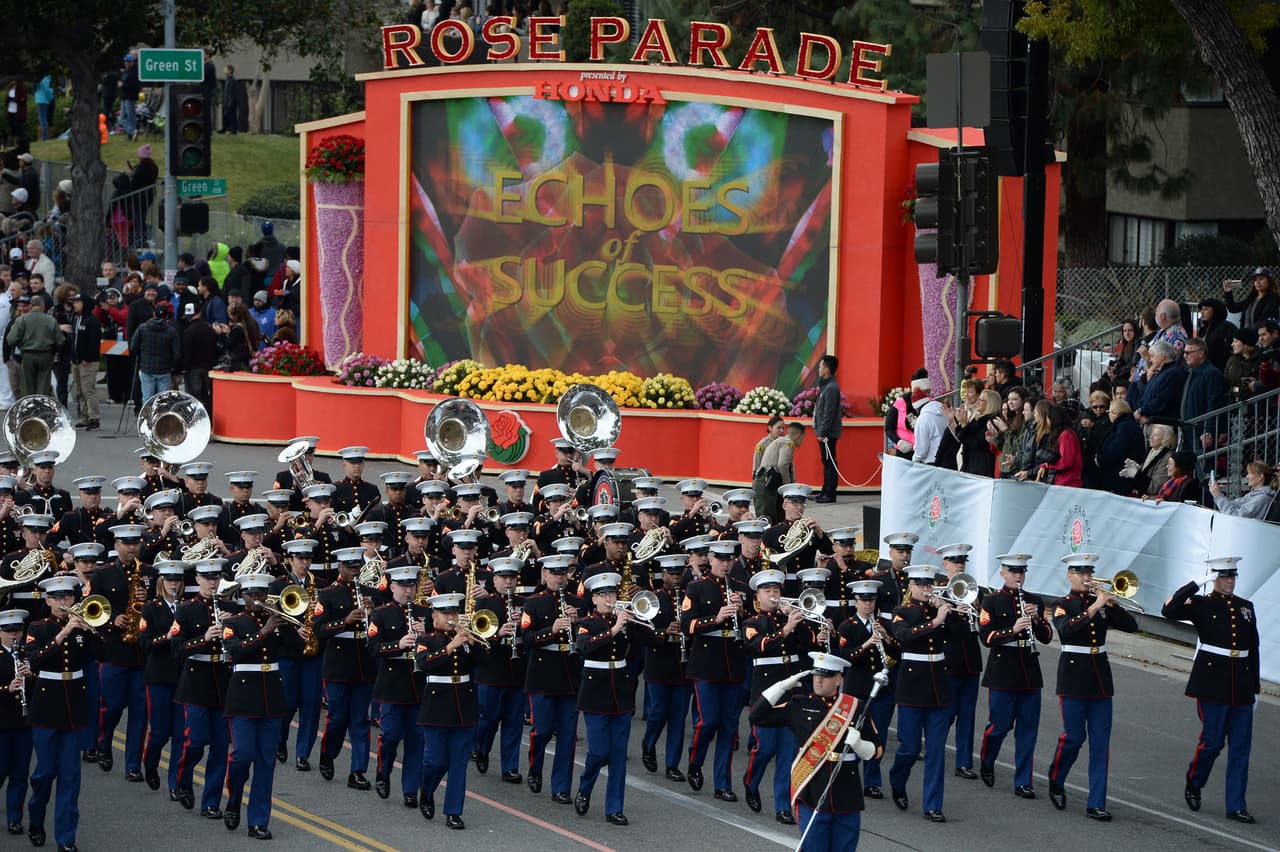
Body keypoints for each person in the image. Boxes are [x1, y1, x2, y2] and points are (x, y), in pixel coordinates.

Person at [1161, 556, 1260, 824]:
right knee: (1213, 742)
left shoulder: (1246, 607)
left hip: (1241, 684)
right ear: (1214, 578)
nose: (1229, 581)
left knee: (1241, 748)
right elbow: (1168, 610)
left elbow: (1253, 648)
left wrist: (1255, 688)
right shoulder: (1201, 603)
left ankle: (1236, 805)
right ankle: (1195, 780)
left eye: (1232, 577)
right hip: (1211, 682)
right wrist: (1197, 583)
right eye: (1224, 576)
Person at [748, 651, 879, 852]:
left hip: (847, 792)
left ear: (838, 679)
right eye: (816, 675)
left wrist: (860, 745)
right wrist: (781, 686)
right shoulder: (800, 705)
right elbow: (757, 716)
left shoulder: (855, 707)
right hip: (812, 789)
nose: (818, 680)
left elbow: (877, 750)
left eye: (825, 676)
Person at [1047, 553, 1139, 820]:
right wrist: (1095, 606)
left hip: (1100, 679)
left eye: (1090, 572)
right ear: (1070, 575)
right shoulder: (1063, 604)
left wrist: (1112, 603)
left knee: (1101, 743)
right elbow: (1067, 630)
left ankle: (1096, 802)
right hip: (1074, 677)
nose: (1087, 578)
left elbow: (1132, 626)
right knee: (1074, 738)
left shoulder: (1101, 604)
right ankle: (1056, 777)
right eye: (1081, 573)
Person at [221, 571, 308, 840]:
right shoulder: (234, 622)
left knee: (266, 762)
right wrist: (264, 631)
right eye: (251, 595)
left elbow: (297, 649)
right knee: (242, 755)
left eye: (261, 594)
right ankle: (234, 797)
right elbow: (234, 651)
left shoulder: (277, 621)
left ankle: (258, 820)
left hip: (271, 695)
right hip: (243, 697)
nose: (257, 599)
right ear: (242, 596)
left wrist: (289, 626)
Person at [25, 573, 99, 852]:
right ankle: (35, 819)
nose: (62, 601)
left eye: (67, 596)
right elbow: (35, 660)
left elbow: (101, 654)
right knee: (44, 773)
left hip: (74, 707)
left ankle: (66, 837)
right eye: (56, 597)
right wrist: (64, 633)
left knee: (70, 775)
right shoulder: (38, 626)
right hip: (46, 705)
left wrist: (91, 631)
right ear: (47, 600)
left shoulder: (83, 626)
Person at [741, 568, 818, 824]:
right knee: (764, 749)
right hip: (766, 694)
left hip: (793, 694)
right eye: (767, 590)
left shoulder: (793, 619)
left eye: (776, 590)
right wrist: (785, 630)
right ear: (758, 596)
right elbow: (756, 647)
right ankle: (751, 782)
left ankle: (783, 806)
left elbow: (811, 643)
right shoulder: (752, 622)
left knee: (788, 754)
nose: (773, 594)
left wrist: (802, 621)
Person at [977, 553, 1052, 798]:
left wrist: (1037, 618)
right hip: (1003, 670)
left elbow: (1047, 637)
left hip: (1028, 670)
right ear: (1003, 573)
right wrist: (1013, 629)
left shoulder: (1033, 600)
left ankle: (1023, 782)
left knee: (1028, 729)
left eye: (1021, 572)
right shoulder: (991, 601)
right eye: (1013, 571)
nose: (1018, 576)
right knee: (999, 726)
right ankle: (987, 760)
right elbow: (986, 638)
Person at [680, 539, 749, 799]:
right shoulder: (696, 587)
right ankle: (695, 761)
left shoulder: (741, 588)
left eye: (729, 559)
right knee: (708, 720)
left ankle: (723, 783)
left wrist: (742, 613)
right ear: (710, 559)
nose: (725, 564)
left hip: (732, 662)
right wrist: (716, 619)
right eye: (720, 559)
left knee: (729, 727)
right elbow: (687, 624)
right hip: (706, 663)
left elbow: (752, 624)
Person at [571, 571, 640, 825]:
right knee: (599, 752)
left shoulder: (626, 621)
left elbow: (645, 643)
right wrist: (615, 629)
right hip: (595, 690)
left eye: (612, 593)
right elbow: (585, 647)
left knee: (618, 753)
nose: (609, 598)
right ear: (594, 599)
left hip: (620, 689)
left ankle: (614, 808)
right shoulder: (586, 623)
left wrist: (634, 622)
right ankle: (585, 786)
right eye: (604, 595)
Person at [415, 591, 488, 830]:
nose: (451, 617)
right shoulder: (426, 639)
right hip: (436, 705)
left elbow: (484, 660)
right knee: (435, 759)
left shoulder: (466, 638)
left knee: (458, 762)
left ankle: (453, 811)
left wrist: (474, 642)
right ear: (434, 616)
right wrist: (451, 646)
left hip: (463, 705)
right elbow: (425, 664)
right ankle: (427, 789)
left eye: (454, 612)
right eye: (446, 613)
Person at [888, 565, 952, 821]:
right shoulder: (901, 612)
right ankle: (897, 778)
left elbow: (962, 635)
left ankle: (933, 805)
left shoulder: (942, 609)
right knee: (910, 747)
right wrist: (935, 620)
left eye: (930, 585)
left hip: (939, 687)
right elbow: (904, 637)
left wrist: (950, 612)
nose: (927, 589)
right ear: (911, 586)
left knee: (937, 751)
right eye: (922, 585)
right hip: (912, 687)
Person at [172, 558, 232, 814]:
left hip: (223, 680)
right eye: (207, 578)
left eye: (216, 577)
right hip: (196, 681)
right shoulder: (186, 610)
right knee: (195, 741)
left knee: (220, 746)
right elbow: (176, 649)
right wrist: (203, 638)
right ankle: (183, 779)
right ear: (197, 579)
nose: (212, 582)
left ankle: (211, 802)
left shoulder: (229, 606)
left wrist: (232, 627)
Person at [521, 553, 582, 800]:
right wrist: (551, 630)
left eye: (562, 573)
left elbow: (586, 638)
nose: (559, 578)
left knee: (568, 735)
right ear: (544, 575)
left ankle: (561, 787)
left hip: (569, 673)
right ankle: (535, 768)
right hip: (543, 673)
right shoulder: (533, 603)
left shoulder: (577, 603)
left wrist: (577, 624)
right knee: (543, 729)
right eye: (554, 573)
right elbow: (527, 639)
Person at [313, 547, 376, 790]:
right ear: (340, 568)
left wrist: (373, 612)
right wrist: (345, 621)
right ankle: (328, 753)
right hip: (338, 664)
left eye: (357, 568)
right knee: (338, 717)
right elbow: (319, 629)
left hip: (364, 664)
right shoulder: (328, 594)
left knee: (360, 719)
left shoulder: (370, 593)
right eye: (349, 568)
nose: (354, 572)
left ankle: (358, 770)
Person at [368, 564, 429, 804]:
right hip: (392, 683)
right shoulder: (381, 614)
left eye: (411, 586)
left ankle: (411, 790)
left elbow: (438, 645)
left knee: (417, 739)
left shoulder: (425, 612)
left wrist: (426, 635)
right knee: (391, 735)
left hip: (418, 684)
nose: (407, 591)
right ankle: (383, 772)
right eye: (402, 586)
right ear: (392, 587)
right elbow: (373, 648)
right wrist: (398, 645)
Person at [471, 557, 524, 785]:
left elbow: (532, 634)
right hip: (491, 670)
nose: (509, 582)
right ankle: (481, 748)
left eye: (512, 578)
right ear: (495, 580)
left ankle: (510, 767)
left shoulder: (524, 603)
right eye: (504, 578)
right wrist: (498, 634)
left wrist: (522, 625)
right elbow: (476, 638)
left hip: (517, 670)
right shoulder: (486, 604)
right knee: (488, 719)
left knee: (514, 722)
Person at [640, 553, 693, 782]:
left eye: (679, 574)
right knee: (658, 712)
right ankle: (648, 743)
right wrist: (664, 632)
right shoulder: (652, 598)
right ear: (663, 575)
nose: (675, 578)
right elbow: (642, 632)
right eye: (671, 574)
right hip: (659, 663)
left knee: (679, 717)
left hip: (682, 664)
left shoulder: (690, 597)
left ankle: (673, 764)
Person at [137, 559, 185, 795]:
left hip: (182, 676)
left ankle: (174, 782)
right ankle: (151, 761)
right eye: (169, 580)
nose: (173, 584)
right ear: (161, 582)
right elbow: (145, 643)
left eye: (176, 580)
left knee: (180, 732)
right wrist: (166, 636)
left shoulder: (186, 607)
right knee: (159, 731)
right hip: (158, 674)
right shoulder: (151, 608)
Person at [0, 606, 30, 835]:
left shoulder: (28, 654)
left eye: (17, 630)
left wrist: (31, 675)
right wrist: (6, 688)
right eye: (8, 630)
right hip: (1, 723)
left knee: (20, 774)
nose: (14, 635)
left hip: (23, 724)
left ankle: (14, 818)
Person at [5, 295, 62, 397]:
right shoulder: (50, 320)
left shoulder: (21, 319)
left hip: (27, 355)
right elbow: (60, 340)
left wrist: (21, 344)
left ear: (31, 306)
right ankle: (41, 409)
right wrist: (52, 351)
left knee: (27, 388)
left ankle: (31, 410)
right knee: (44, 386)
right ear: (42, 305)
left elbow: (10, 339)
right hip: (46, 355)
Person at [129, 301, 179, 404]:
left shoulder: (143, 328)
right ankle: (161, 419)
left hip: (147, 367)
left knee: (147, 398)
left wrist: (140, 354)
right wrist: (173, 366)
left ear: (154, 314)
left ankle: (148, 418)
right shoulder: (171, 331)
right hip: (164, 369)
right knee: (163, 400)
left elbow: (133, 346)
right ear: (167, 316)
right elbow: (176, 353)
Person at [754, 422, 803, 523]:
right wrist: (787, 489)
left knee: (777, 519)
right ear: (799, 435)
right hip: (766, 484)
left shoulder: (782, 441)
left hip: (769, 483)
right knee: (767, 520)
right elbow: (783, 465)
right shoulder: (787, 443)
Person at [1095, 399, 1145, 495]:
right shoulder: (1127, 424)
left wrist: (1101, 459)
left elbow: (1115, 450)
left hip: (1121, 474)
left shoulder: (1124, 427)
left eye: (1109, 412)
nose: (1108, 414)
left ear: (1116, 413)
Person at [812, 354, 842, 503]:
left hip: (828, 433)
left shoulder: (831, 388)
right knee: (826, 461)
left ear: (827, 369)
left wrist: (822, 432)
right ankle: (825, 490)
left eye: (821, 366)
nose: (819, 368)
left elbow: (828, 413)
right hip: (824, 432)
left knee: (830, 461)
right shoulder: (825, 386)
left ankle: (830, 493)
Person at [68, 293, 100, 430]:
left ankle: (94, 418)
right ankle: (84, 417)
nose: (74, 304)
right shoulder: (76, 319)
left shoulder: (92, 321)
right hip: (76, 361)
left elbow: (94, 342)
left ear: (85, 304)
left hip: (88, 362)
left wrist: (88, 358)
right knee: (80, 391)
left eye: (77, 302)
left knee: (88, 390)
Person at [1209, 461, 1277, 519]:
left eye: (1250, 473)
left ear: (1260, 477)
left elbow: (1234, 517)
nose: (1246, 476)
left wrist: (1217, 495)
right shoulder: (1252, 495)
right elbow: (1233, 505)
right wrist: (1217, 493)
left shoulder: (1262, 499)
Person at [1223, 268, 1279, 333]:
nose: (1258, 282)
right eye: (1255, 280)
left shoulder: (1273, 299)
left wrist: (1246, 333)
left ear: (1269, 281)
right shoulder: (1252, 298)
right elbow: (1233, 308)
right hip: (1247, 337)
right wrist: (1228, 293)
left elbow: (1263, 321)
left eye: (1261, 278)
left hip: (1260, 337)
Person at [1196, 298, 1237, 372]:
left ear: (1216, 310)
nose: (1202, 312)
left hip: (1218, 369)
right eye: (1201, 309)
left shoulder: (1227, 327)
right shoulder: (1204, 328)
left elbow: (1229, 351)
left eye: (1206, 309)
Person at [223, 302, 260, 371]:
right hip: (249, 358)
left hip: (238, 362)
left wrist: (226, 334)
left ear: (234, 316)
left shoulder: (238, 329)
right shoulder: (252, 322)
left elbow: (229, 345)